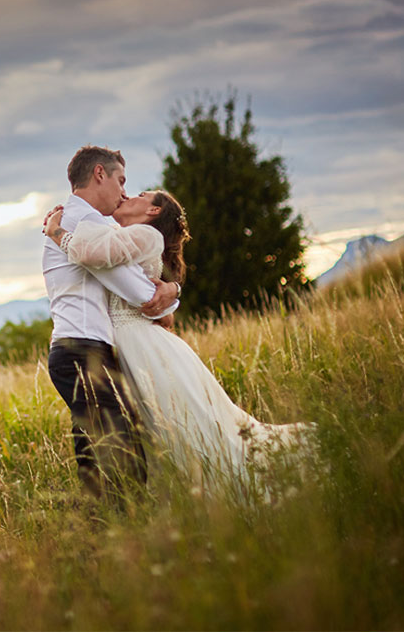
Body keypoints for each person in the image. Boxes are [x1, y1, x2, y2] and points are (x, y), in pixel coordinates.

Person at [43, 189, 315, 497]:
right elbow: (153, 300)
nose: (126, 194)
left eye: (140, 195)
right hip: (135, 349)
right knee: (166, 431)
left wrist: (57, 232)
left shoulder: (140, 237)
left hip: (147, 350)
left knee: (188, 428)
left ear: (154, 211)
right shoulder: (121, 237)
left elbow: (128, 285)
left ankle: (226, 488)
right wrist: (173, 292)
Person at [41, 146, 180, 503]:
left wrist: (173, 289)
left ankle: (103, 539)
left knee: (97, 455)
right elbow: (137, 292)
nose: (123, 193)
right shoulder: (81, 223)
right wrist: (168, 294)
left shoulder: (84, 222)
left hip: (87, 351)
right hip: (80, 351)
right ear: (99, 174)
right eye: (121, 181)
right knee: (124, 454)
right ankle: (121, 532)